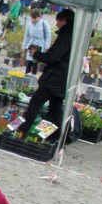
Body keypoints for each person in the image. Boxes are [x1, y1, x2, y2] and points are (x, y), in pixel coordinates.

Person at [17, 9, 74, 138]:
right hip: (63, 78)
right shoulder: (73, 35)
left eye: (58, 21)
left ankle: (23, 130)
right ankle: (59, 135)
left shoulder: (66, 36)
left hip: (55, 77)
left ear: (64, 20)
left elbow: (53, 57)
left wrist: (36, 54)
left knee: (36, 102)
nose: (57, 24)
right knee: (56, 108)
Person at [22, 9, 51, 75]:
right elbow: (27, 36)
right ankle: (27, 75)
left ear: (38, 17)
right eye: (32, 17)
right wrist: (24, 46)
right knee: (29, 61)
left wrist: (47, 46)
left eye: (34, 17)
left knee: (35, 62)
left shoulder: (44, 23)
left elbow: (48, 35)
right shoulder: (30, 24)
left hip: (40, 43)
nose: (33, 19)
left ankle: (33, 75)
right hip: (32, 43)